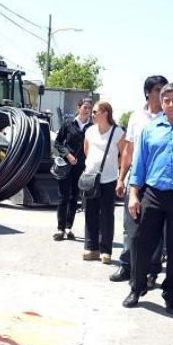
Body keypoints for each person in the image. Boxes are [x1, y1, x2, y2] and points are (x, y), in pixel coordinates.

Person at [122, 83, 173, 315]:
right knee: (141, 242)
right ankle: (136, 287)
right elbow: (140, 165)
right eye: (166, 100)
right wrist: (134, 194)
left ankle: (171, 294)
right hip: (152, 193)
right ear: (160, 102)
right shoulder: (150, 128)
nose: (171, 104)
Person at [111, 76, 166, 285]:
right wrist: (121, 177)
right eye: (158, 90)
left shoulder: (171, 116)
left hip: (159, 180)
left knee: (155, 228)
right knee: (130, 225)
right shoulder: (136, 117)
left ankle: (151, 270)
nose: (162, 95)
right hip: (137, 179)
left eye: (164, 90)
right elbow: (128, 149)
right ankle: (127, 265)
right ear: (148, 92)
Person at [82, 101, 126, 263]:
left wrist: (117, 171)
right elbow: (86, 150)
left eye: (95, 112)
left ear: (105, 113)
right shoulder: (90, 131)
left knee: (107, 214)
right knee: (90, 213)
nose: (92, 115)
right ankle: (90, 247)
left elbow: (124, 155)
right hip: (90, 177)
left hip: (108, 179)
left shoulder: (117, 132)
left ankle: (105, 250)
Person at [53, 98, 93, 241]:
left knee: (74, 197)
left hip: (81, 167)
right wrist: (67, 154)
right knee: (63, 197)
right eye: (85, 107)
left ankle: (69, 227)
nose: (87, 110)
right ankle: (60, 229)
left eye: (89, 108)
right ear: (79, 107)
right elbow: (57, 143)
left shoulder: (92, 128)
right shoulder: (68, 124)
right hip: (66, 165)